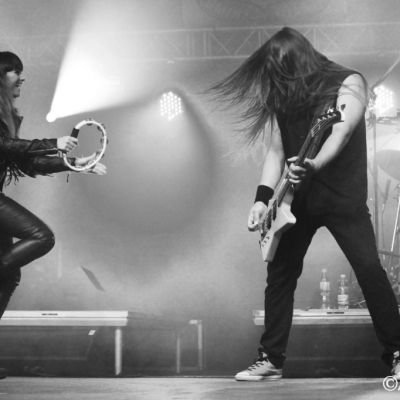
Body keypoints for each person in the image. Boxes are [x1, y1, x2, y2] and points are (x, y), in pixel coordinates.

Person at [212, 27, 400, 381]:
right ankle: (271, 358)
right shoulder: (283, 94)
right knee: (280, 275)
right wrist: (261, 200)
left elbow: (340, 132)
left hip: (343, 198)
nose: (278, 80)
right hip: (297, 200)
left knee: (369, 270)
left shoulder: (348, 83)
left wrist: (314, 164)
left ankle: (396, 351)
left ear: (299, 60)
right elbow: (276, 151)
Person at [0, 51, 106, 378]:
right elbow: (4, 146)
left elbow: (23, 162)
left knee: (9, 275)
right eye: (15, 71)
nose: (22, 77)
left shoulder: (9, 115)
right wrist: (53, 142)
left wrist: (72, 163)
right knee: (41, 236)